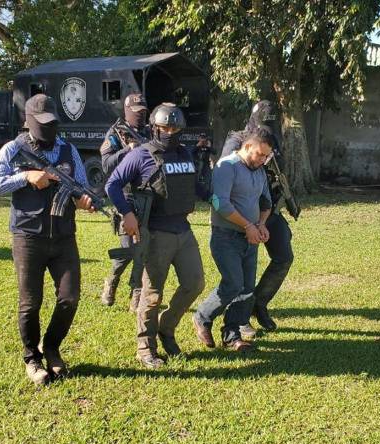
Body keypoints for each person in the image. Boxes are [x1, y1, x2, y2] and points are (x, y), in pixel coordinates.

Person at [0, 94, 95, 385]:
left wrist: (84, 201)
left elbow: (82, 187)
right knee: (30, 303)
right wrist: (26, 177)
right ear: (29, 121)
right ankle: (32, 358)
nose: (48, 128)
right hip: (28, 237)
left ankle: (52, 347)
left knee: (70, 297)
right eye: (42, 123)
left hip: (63, 236)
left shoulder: (69, 150)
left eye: (52, 122)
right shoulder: (13, 149)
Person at [105, 103, 205, 369]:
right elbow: (112, 184)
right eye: (164, 128)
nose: (170, 133)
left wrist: (216, 196)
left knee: (194, 283)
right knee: (152, 294)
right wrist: (127, 213)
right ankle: (145, 348)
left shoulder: (184, 154)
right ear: (154, 128)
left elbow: (194, 185)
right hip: (156, 234)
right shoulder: (141, 154)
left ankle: (166, 328)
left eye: (174, 129)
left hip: (183, 230)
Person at [193, 128, 272, 351]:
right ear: (247, 146)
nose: (263, 160)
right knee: (234, 284)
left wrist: (261, 224)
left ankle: (231, 335)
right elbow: (220, 203)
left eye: (266, 156)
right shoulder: (226, 166)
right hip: (226, 237)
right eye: (260, 154)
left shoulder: (259, 170)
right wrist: (248, 225)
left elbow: (266, 201)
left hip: (251, 238)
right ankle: (202, 317)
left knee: (247, 289)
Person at [220, 100, 296, 336]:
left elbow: (278, 174)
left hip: (268, 210)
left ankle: (259, 303)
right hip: (241, 214)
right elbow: (225, 176)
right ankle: (239, 320)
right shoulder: (237, 141)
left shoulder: (274, 141)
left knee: (284, 257)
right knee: (243, 272)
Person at [100, 93, 151, 311]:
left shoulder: (149, 132)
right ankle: (112, 281)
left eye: (143, 112)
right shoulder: (116, 133)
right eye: (136, 112)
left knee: (143, 251)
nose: (140, 116)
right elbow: (106, 164)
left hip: (147, 196)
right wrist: (126, 151)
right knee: (128, 249)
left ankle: (136, 293)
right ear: (127, 111)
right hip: (125, 196)